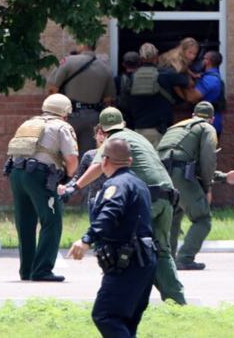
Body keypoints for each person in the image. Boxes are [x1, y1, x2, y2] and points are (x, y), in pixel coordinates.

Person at [60, 107, 186, 305]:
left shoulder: (113, 141)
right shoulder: (139, 138)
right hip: (166, 198)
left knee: (119, 246)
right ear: (124, 124)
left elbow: (96, 167)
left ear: (101, 130)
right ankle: (177, 302)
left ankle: (118, 301)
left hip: (145, 201)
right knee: (161, 251)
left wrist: (73, 187)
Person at [68, 139, 157, 338]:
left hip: (127, 262)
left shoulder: (117, 185)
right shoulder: (138, 183)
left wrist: (86, 239)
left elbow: (110, 213)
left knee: (105, 315)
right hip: (144, 261)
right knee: (126, 321)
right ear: (130, 160)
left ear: (104, 161)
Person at [4, 93, 79, 282]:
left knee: (25, 222)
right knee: (51, 220)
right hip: (39, 176)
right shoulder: (62, 126)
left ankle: (27, 270)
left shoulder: (28, 124)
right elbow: (71, 159)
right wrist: (69, 179)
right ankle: (42, 270)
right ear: (64, 113)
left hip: (16, 173)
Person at [157, 101, 217, 270]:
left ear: (193, 115)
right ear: (212, 119)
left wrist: (224, 177)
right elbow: (207, 159)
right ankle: (184, 258)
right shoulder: (207, 128)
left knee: (174, 214)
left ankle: (166, 259)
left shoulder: (177, 127)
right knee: (202, 218)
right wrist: (208, 187)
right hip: (180, 173)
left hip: (161, 173)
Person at [47, 43, 116, 155]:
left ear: (83, 45)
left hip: (68, 115)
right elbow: (108, 99)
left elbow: (52, 89)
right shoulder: (105, 68)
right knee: (87, 155)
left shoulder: (68, 62)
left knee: (63, 154)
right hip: (93, 117)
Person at [130, 42, 192, 147]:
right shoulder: (166, 74)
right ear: (156, 57)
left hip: (138, 130)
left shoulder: (133, 76)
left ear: (140, 59)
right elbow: (189, 84)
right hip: (158, 130)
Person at [181, 50, 225, 136]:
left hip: (207, 126)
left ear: (208, 61)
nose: (201, 61)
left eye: (203, 58)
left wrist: (183, 79)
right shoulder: (207, 76)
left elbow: (191, 97)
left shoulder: (211, 79)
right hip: (205, 124)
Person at [69, 125, 107, 208]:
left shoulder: (118, 155)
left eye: (106, 134)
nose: (102, 137)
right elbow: (77, 177)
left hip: (112, 198)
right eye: (100, 133)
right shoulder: (89, 155)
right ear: (95, 136)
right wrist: (67, 188)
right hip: (94, 200)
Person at [116, 51, 141, 129]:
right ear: (139, 64)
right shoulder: (142, 80)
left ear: (123, 65)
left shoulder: (118, 80)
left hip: (123, 118)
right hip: (141, 117)